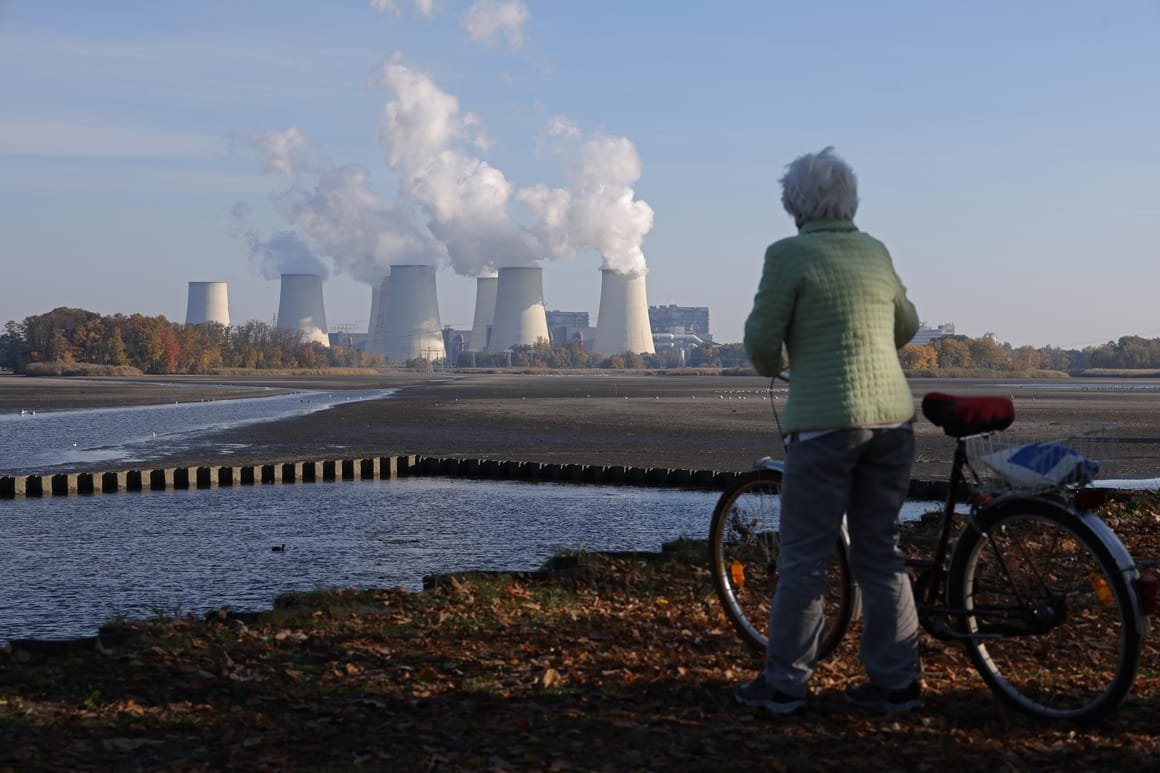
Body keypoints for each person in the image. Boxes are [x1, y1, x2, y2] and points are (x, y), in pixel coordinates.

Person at [735, 146, 922, 715]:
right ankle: (896, 684)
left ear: (795, 204)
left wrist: (785, 361)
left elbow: (764, 344)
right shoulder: (874, 250)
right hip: (892, 419)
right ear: (850, 199)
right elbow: (907, 324)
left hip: (823, 425)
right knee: (880, 552)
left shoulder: (788, 255)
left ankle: (785, 684)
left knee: (804, 558)